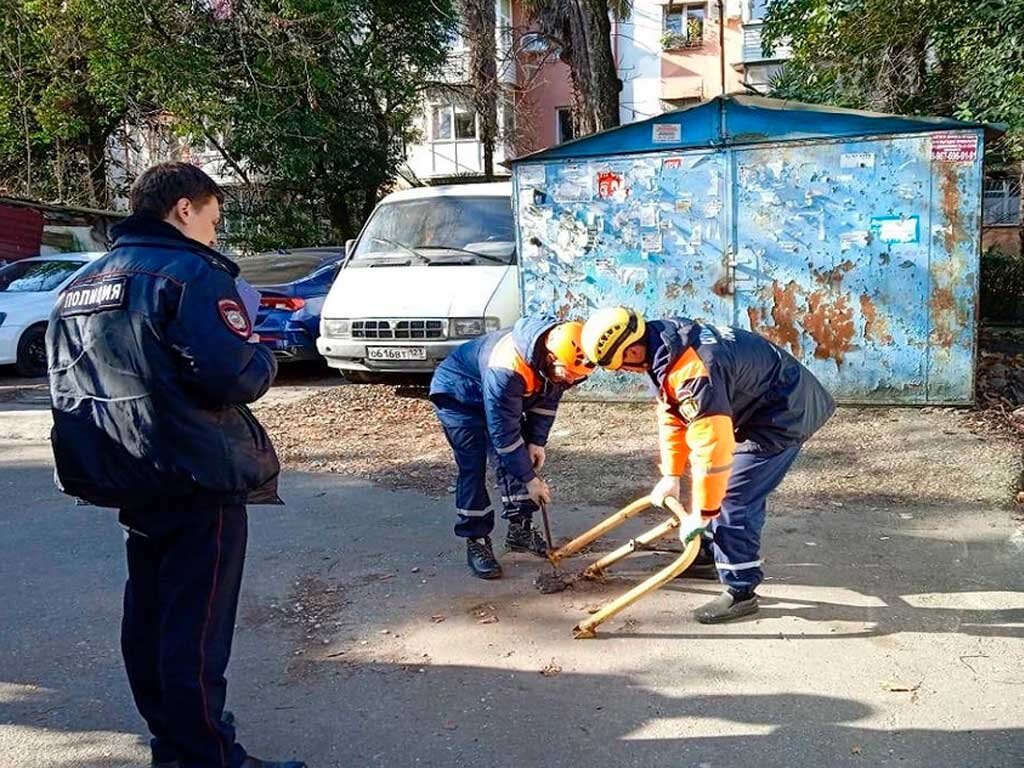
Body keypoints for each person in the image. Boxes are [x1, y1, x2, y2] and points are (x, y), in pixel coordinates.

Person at [47, 162, 305, 768]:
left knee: (152, 614)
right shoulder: (190, 274)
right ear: (184, 210)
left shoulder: (81, 283)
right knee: (196, 625)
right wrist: (261, 352)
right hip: (195, 475)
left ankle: (174, 741)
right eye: (213, 221)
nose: (215, 236)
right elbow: (233, 374)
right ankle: (206, 756)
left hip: (122, 470)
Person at [581, 307, 835, 623]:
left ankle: (740, 590)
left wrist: (702, 512)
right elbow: (673, 415)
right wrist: (671, 475)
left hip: (785, 413)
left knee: (733, 498)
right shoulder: (664, 344)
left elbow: (713, 450)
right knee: (718, 492)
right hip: (759, 405)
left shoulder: (691, 369)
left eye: (621, 366)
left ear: (631, 349)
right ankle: (709, 554)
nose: (626, 371)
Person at [430, 318, 593, 579]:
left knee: (521, 451)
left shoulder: (565, 365)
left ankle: (521, 530)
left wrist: (537, 442)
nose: (570, 380)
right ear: (550, 357)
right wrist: (530, 479)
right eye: (567, 373)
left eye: (576, 377)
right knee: (473, 467)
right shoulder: (507, 367)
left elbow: (546, 404)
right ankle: (477, 540)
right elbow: (503, 436)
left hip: (501, 397)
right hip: (460, 395)